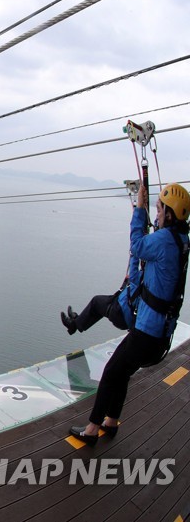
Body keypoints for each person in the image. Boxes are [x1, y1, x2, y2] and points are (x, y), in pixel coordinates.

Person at [62, 182, 189, 445]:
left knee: (111, 373)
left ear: (168, 213)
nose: (157, 211)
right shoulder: (180, 240)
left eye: (160, 208)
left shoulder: (164, 241)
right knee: (122, 372)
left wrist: (139, 210)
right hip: (160, 336)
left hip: (147, 332)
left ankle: (91, 430)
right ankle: (110, 422)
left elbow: (137, 245)